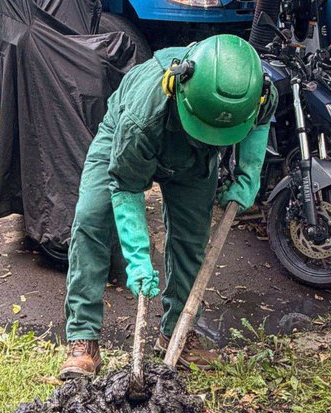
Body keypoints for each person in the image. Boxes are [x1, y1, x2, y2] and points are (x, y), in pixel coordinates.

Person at [59, 33, 275, 379]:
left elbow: (260, 121)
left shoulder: (256, 88)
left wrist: (248, 174)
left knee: (192, 239)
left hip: (195, 158)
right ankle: (84, 339)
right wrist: (138, 258)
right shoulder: (142, 117)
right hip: (131, 134)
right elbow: (126, 186)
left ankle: (177, 333)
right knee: (92, 219)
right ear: (181, 89)